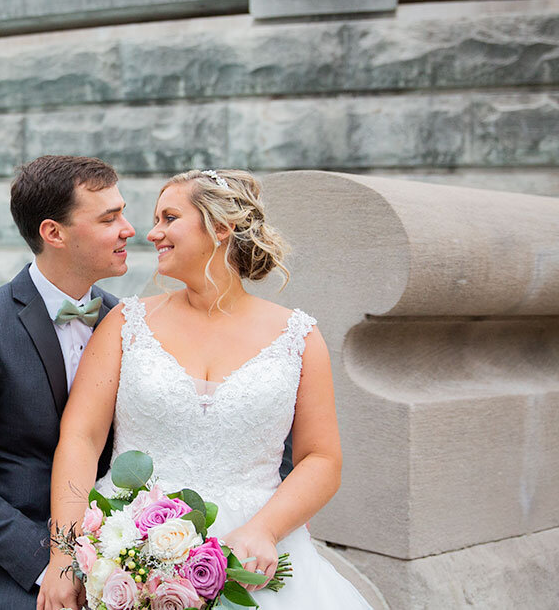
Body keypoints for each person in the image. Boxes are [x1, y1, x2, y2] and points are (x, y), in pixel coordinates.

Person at [38, 168, 371, 610]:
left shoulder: (299, 337)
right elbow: (81, 439)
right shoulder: (124, 324)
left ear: (220, 227)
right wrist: (64, 555)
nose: (152, 233)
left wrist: (266, 530)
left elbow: (322, 460)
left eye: (169, 218)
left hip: (256, 557)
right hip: (130, 554)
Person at [0, 155, 137, 610]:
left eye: (122, 212)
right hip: (15, 561)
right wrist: (53, 564)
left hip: (120, 550)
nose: (129, 229)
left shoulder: (126, 321)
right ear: (54, 233)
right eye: (109, 218)